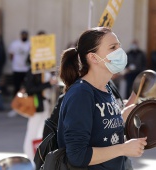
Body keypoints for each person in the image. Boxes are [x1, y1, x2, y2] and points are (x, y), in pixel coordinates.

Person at [57, 27, 147, 170]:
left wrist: (125, 115)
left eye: (119, 46)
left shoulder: (106, 88)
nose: (120, 52)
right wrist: (123, 149)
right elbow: (77, 155)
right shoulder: (81, 94)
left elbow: (102, 129)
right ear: (93, 57)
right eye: (113, 47)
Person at [23, 69, 57, 160]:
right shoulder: (34, 69)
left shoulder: (49, 69)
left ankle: (38, 156)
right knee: (32, 131)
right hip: (37, 105)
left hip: (47, 105)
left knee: (43, 132)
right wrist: (48, 84)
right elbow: (29, 88)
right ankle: (30, 156)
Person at [8, 30, 30, 96]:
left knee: (26, 86)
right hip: (17, 68)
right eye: (23, 35)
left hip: (26, 69)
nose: (24, 36)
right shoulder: (15, 44)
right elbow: (11, 55)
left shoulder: (30, 44)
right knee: (16, 86)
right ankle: (16, 100)